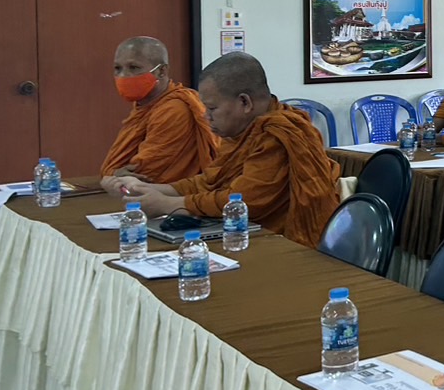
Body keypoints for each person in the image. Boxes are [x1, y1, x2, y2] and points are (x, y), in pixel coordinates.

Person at [118, 53, 342, 248]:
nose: (206, 116)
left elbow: (243, 201)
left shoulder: (277, 135)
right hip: (246, 236)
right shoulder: (241, 131)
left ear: (244, 103)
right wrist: (156, 189)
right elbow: (211, 181)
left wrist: (168, 205)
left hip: (282, 243)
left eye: (212, 108)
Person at [99, 36, 220, 192]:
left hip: (174, 199)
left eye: (134, 67)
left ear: (161, 71)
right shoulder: (143, 107)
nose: (123, 75)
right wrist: (113, 173)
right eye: (117, 68)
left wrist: (112, 174)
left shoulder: (174, 109)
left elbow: (144, 175)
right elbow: (114, 170)